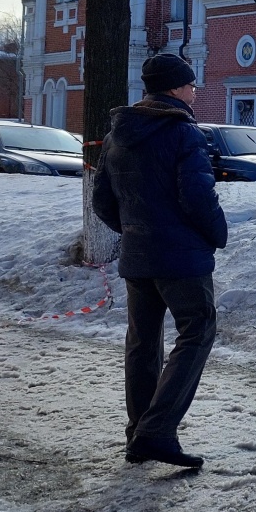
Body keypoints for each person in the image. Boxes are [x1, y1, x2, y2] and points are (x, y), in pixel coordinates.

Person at [92, 54, 227, 469]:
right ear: (174, 88)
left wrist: (135, 228)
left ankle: (139, 433)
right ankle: (157, 432)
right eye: (190, 85)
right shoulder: (183, 132)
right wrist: (216, 234)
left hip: (138, 255)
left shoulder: (118, 135)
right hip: (181, 257)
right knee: (197, 329)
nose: (194, 91)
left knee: (143, 342)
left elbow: (102, 202)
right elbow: (198, 196)